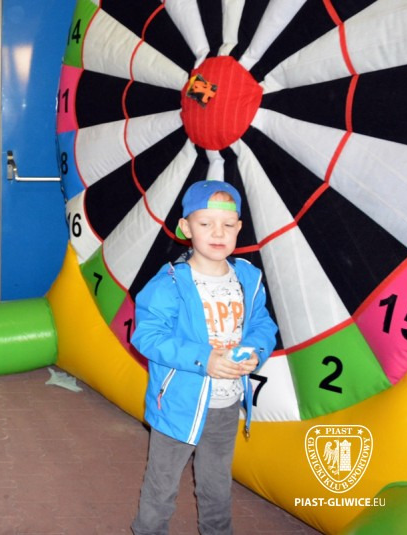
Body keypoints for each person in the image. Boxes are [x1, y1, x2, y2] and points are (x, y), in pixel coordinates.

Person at [130, 180, 278, 535]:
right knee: (161, 488)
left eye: (227, 224)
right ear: (186, 227)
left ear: (239, 228)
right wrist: (203, 359)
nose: (218, 232)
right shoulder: (169, 283)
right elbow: (147, 336)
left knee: (216, 486)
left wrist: (255, 352)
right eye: (205, 223)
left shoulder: (248, 278)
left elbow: (262, 324)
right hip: (178, 405)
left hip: (226, 403)